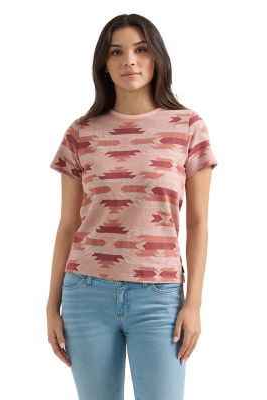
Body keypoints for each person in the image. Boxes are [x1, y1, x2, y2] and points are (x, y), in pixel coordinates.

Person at [46, 13, 218, 400]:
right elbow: (68, 224)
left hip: (159, 296)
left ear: (157, 57)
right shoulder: (81, 132)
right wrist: (51, 305)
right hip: (85, 292)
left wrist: (194, 304)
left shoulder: (188, 127)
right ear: (104, 66)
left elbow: (198, 223)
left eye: (141, 50)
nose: (129, 60)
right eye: (116, 52)